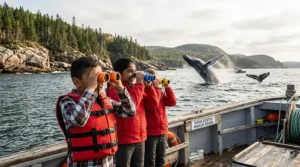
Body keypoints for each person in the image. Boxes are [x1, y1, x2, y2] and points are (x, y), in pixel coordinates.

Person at [55, 56, 136, 167]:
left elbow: (130, 112)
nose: (98, 80)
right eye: (93, 77)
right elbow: (78, 120)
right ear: (77, 82)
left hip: (108, 163)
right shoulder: (67, 101)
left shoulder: (104, 100)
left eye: (100, 76)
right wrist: (91, 89)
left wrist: (120, 87)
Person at [106, 58, 159, 167]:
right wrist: (139, 84)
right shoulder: (114, 90)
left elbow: (153, 106)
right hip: (125, 139)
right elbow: (131, 106)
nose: (133, 74)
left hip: (140, 136)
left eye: (134, 71)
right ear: (119, 74)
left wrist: (149, 88)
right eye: (129, 71)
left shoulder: (135, 88)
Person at [143, 68, 177, 167]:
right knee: (150, 160)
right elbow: (154, 104)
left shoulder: (160, 92)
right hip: (151, 133)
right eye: (154, 79)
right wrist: (156, 88)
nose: (157, 81)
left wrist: (167, 87)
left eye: (158, 79)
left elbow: (172, 102)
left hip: (162, 131)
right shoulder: (145, 93)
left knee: (161, 159)